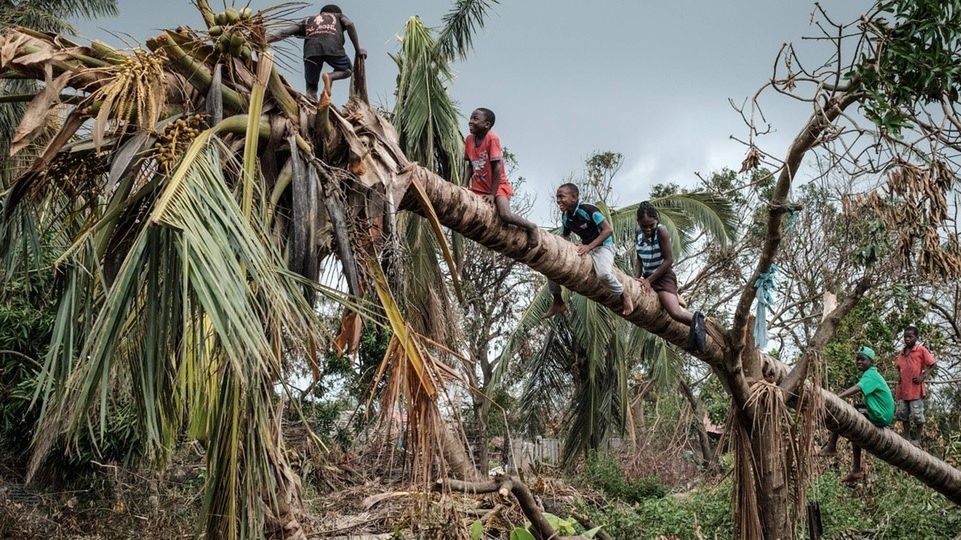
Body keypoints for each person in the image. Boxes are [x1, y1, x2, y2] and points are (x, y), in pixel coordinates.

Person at [542, 183, 634, 318]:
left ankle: (624, 294)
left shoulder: (589, 209)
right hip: (586, 248)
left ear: (574, 197)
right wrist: (559, 248)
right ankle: (557, 301)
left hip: (604, 247)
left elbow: (608, 230)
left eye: (561, 196)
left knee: (603, 274)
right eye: (557, 197)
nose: (558, 200)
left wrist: (589, 246)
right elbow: (565, 236)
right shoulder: (566, 216)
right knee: (553, 263)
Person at [634, 202, 706, 352]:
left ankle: (700, 320)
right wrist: (636, 278)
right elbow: (639, 258)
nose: (647, 229)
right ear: (639, 224)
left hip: (662, 276)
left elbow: (669, 260)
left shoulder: (662, 232)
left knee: (675, 312)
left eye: (651, 225)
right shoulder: (638, 234)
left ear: (656, 221)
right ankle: (677, 298)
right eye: (644, 226)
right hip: (648, 277)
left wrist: (649, 280)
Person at [464, 108, 539, 248]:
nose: (470, 121)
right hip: (478, 186)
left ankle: (531, 227)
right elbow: (469, 165)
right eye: (471, 118)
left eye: (475, 119)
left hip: (497, 185)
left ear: (486, 124)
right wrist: (464, 185)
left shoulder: (492, 139)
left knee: (504, 214)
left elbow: (497, 168)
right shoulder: (468, 140)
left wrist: (492, 194)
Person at [819, 346, 894, 483]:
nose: (859, 362)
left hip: (880, 415)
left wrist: (836, 397)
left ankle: (832, 446)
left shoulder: (871, 374)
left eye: (862, 359)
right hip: (880, 414)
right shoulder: (871, 374)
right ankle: (855, 468)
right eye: (857, 359)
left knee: (847, 418)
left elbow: (858, 388)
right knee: (855, 422)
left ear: (871, 362)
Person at [268, 4, 366, 101]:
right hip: (333, 48)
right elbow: (349, 24)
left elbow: (284, 32)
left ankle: (312, 105)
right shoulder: (338, 16)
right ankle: (330, 76)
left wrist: (265, 39)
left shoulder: (307, 20)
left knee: (311, 87)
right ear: (336, 12)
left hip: (311, 52)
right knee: (347, 70)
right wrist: (358, 50)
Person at [895, 325, 937, 445]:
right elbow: (899, 367)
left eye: (910, 337)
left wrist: (923, 376)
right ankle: (906, 437)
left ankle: (918, 439)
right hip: (903, 389)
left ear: (916, 337)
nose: (907, 339)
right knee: (903, 414)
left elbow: (933, 364)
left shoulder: (921, 350)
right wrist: (899, 378)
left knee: (917, 415)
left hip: (915, 390)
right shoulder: (902, 352)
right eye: (905, 337)